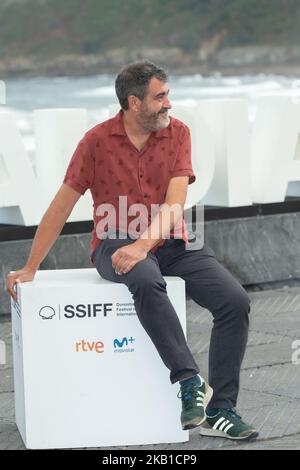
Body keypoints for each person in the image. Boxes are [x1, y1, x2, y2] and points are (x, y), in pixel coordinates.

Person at [6, 60, 258, 441]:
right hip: (114, 241)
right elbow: (61, 206)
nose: (168, 103)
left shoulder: (179, 134)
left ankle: (221, 410)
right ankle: (189, 381)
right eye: (160, 97)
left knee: (234, 301)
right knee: (144, 277)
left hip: (172, 240)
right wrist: (30, 267)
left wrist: (144, 244)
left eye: (168, 94)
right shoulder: (96, 142)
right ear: (133, 102)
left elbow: (175, 203)